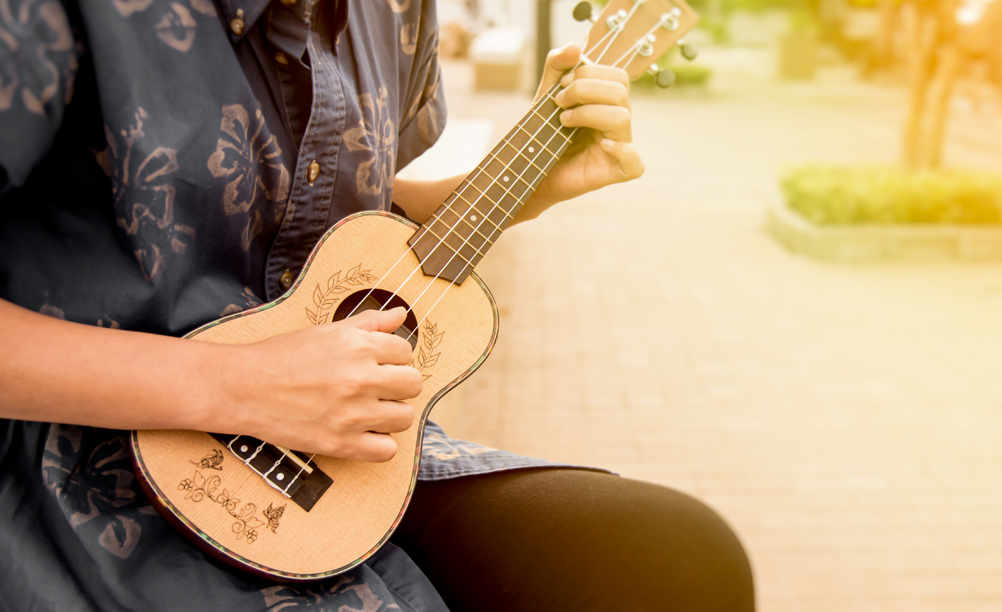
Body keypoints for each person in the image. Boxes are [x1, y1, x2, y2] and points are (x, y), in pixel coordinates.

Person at [0, 0, 754, 609]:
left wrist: (525, 185)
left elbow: (334, 215)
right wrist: (237, 386)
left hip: (338, 450)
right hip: (80, 457)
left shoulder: (394, 13)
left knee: (674, 559)